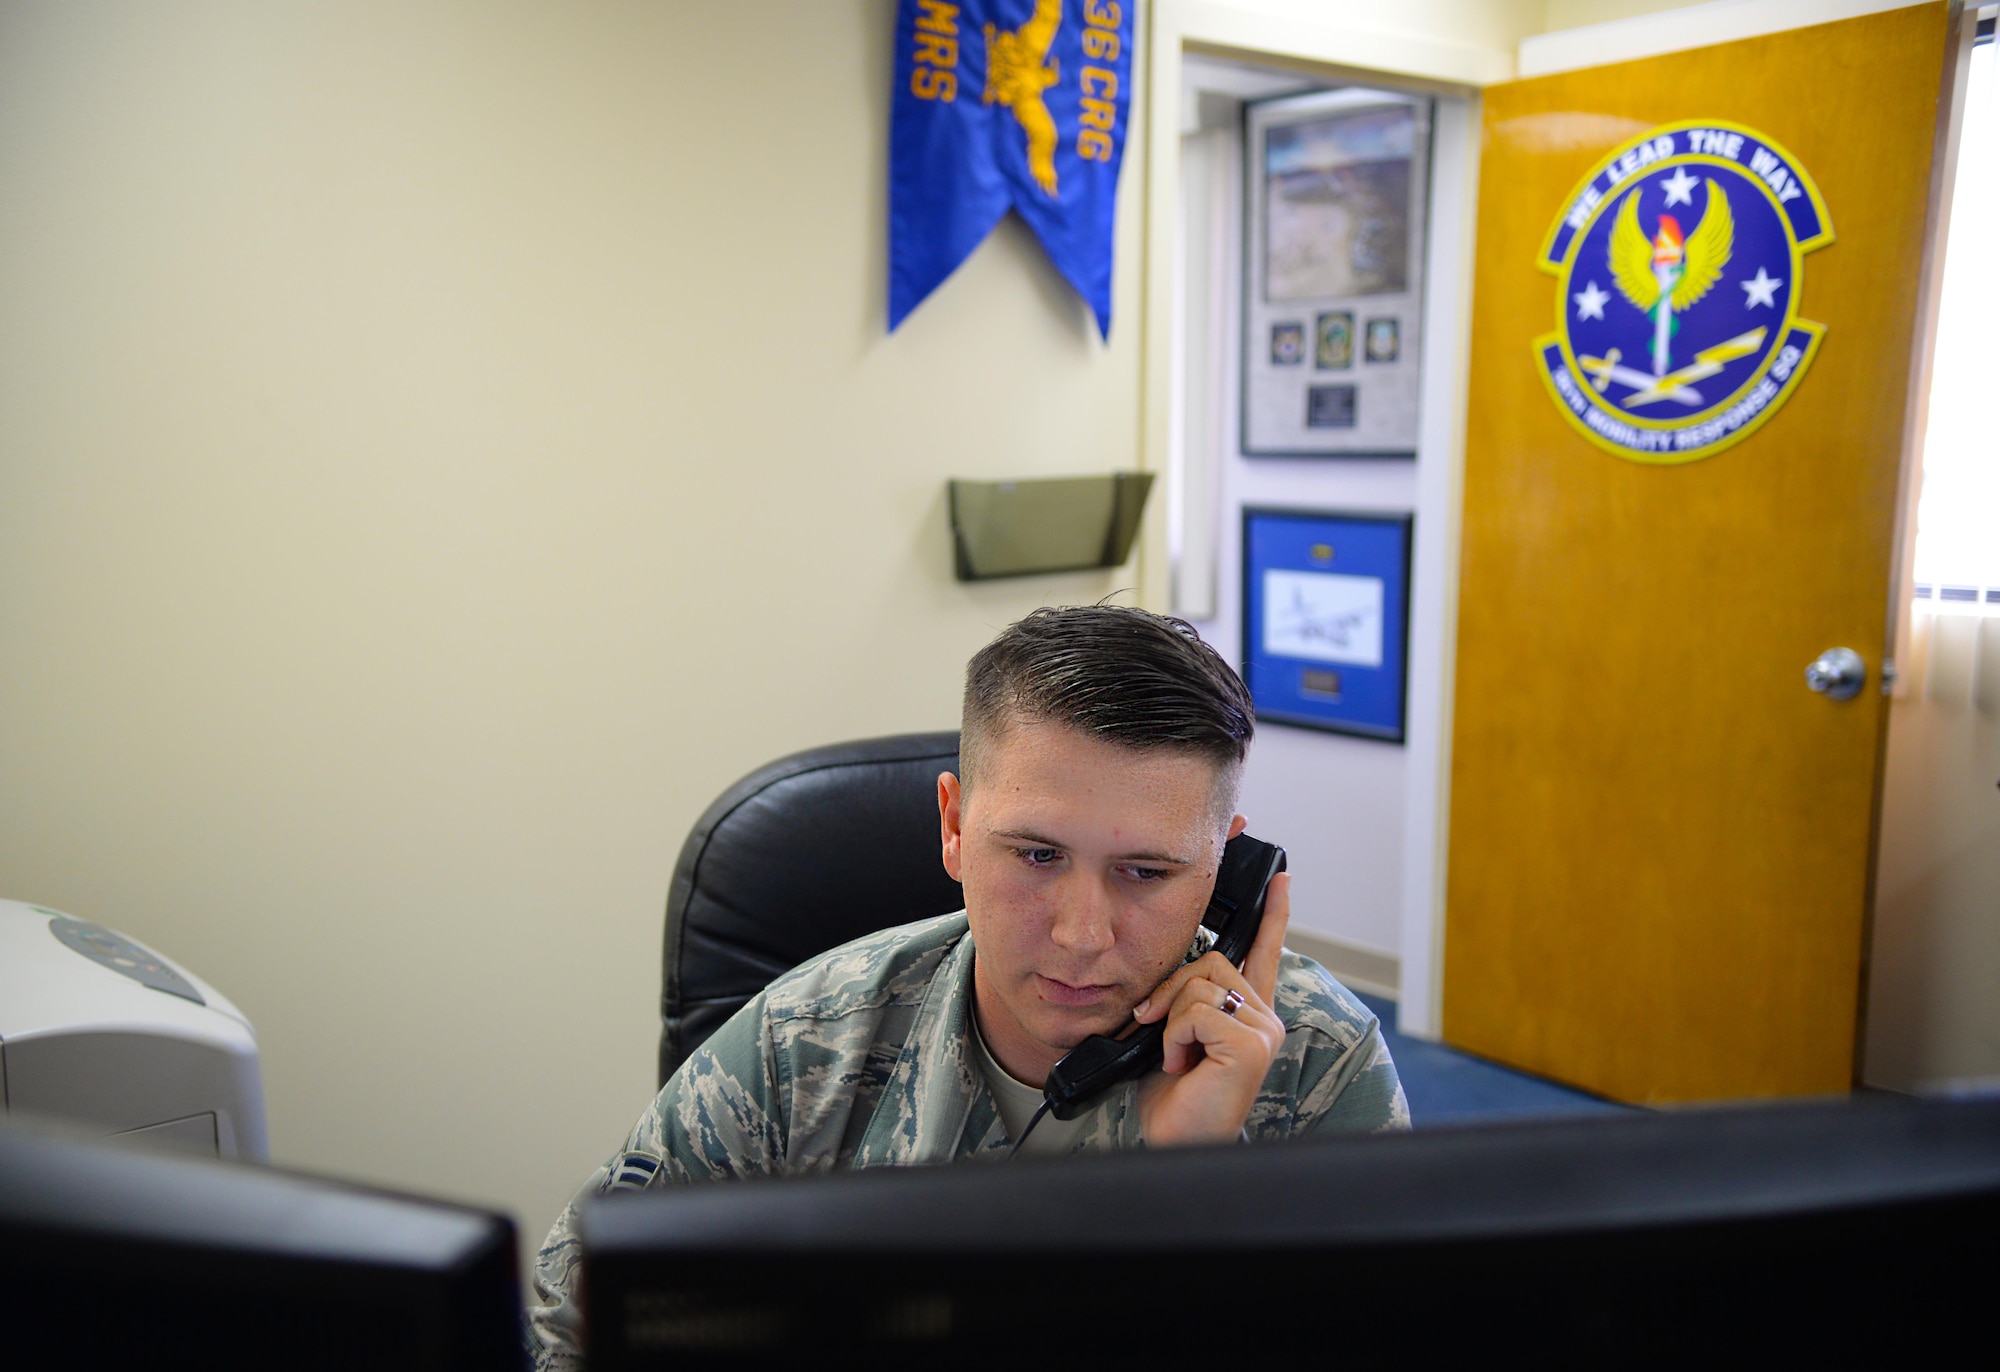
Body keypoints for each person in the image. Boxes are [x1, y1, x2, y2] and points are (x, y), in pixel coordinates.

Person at [526, 605, 1407, 1368]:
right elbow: (572, 1325)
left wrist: (1196, 1187)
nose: (1082, 935)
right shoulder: (806, 1043)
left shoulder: (1315, 1065)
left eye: (1147, 872)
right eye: (1036, 855)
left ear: (1223, 865)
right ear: (953, 827)